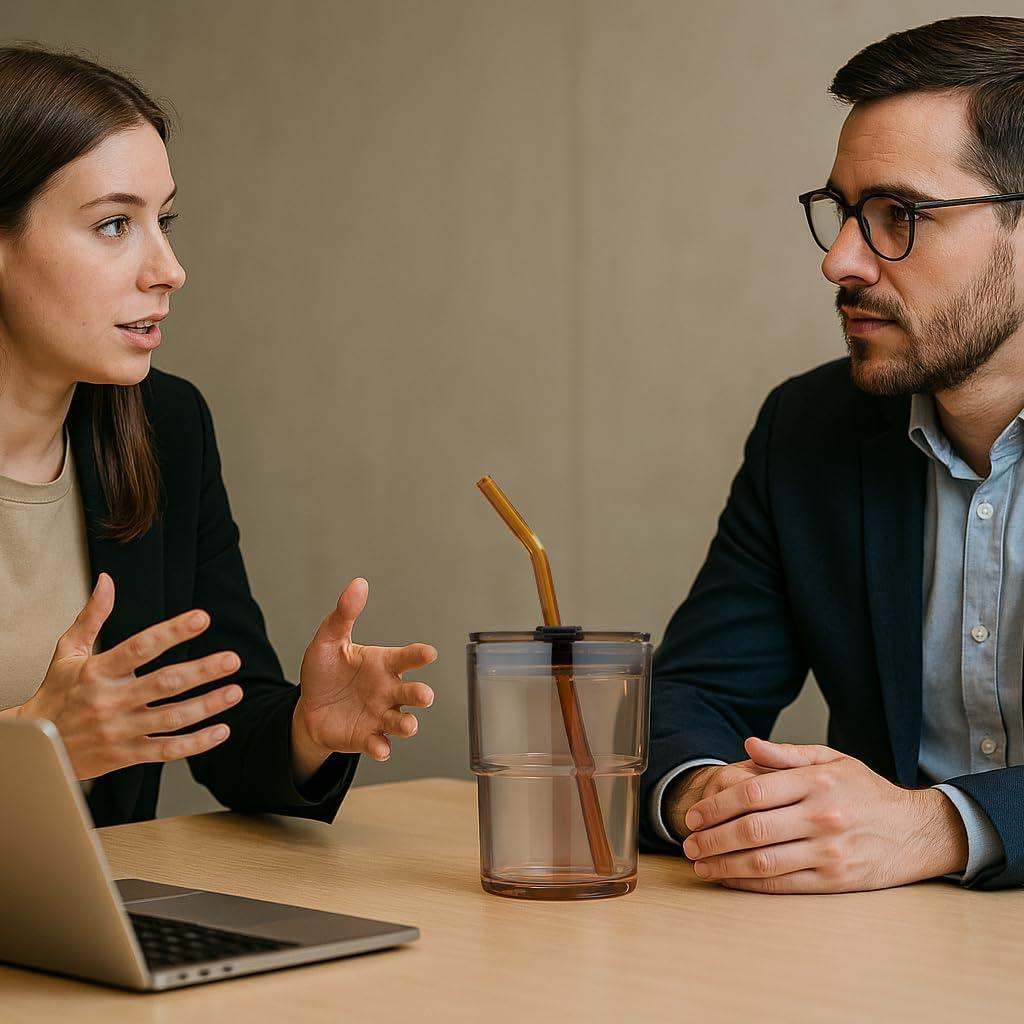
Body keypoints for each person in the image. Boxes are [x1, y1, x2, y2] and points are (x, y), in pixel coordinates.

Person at [0, 47, 436, 827]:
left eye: (159, 221)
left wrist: (307, 727)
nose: (168, 268)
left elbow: (219, 726)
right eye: (112, 225)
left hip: (88, 923)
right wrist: (36, 748)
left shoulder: (167, 427)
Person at [640, 16, 1024, 892]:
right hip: (876, 953)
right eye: (844, 213)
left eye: (899, 215)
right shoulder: (809, 429)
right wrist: (722, 800)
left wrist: (941, 827)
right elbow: (688, 702)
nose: (842, 261)